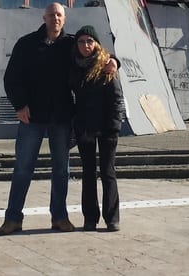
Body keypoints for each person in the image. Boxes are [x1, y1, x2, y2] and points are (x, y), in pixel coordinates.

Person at [0, 3, 117, 236]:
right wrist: (19, 105)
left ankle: (59, 217)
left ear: (64, 18)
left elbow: (94, 53)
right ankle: (13, 219)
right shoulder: (27, 44)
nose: (55, 19)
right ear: (44, 17)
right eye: (51, 15)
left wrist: (115, 61)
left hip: (61, 117)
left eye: (59, 15)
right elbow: (11, 78)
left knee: (61, 169)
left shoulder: (70, 45)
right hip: (31, 117)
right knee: (23, 168)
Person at [70, 24, 124, 232]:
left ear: (97, 44)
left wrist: (114, 126)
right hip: (85, 127)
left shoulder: (106, 66)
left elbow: (116, 98)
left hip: (106, 128)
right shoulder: (74, 66)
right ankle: (90, 218)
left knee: (107, 172)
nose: (86, 45)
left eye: (90, 41)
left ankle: (112, 218)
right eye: (82, 41)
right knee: (88, 173)